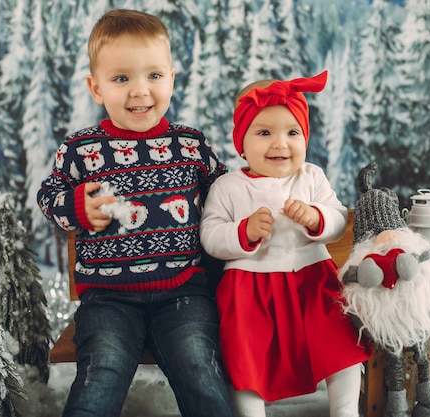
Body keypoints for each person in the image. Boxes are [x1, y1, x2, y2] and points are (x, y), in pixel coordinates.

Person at [37, 9, 235, 417]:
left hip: (183, 291)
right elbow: (48, 194)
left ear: (172, 79)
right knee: (101, 374)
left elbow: (228, 193)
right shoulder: (82, 150)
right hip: (109, 298)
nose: (140, 91)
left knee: (201, 367)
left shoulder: (190, 145)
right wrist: (77, 206)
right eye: (121, 78)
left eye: (154, 76)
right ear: (96, 88)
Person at [199, 71, 372, 417]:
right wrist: (243, 232)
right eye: (264, 133)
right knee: (242, 353)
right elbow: (210, 236)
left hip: (311, 281)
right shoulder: (228, 187)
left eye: (292, 132)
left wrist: (315, 217)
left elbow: (338, 219)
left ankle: (344, 410)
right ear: (242, 143)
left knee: (341, 342)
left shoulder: (311, 177)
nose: (280, 144)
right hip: (249, 291)